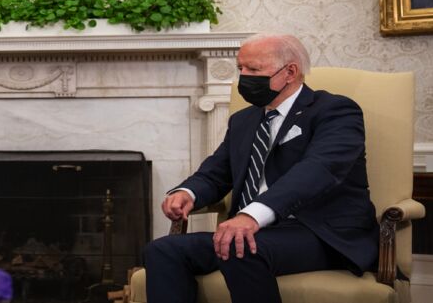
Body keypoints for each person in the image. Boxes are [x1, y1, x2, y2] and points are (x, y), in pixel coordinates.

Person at [144, 34, 378, 303]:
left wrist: (252, 216)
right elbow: (217, 172)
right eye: (240, 68)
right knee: (162, 250)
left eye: (253, 70)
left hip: (321, 233)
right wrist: (188, 192)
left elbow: (318, 169)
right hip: (256, 233)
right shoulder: (243, 120)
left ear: (290, 71)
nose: (243, 77)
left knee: (238, 246)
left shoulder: (335, 111)